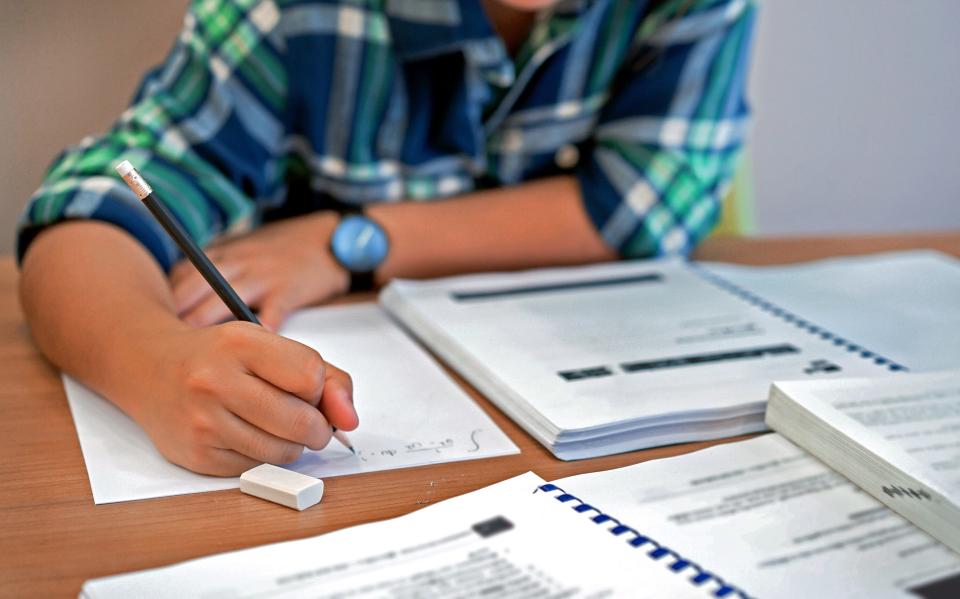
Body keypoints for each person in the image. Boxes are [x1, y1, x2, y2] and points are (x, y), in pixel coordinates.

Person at [17, 0, 756, 475]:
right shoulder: (285, 13)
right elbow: (87, 214)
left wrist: (347, 242)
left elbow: (643, 205)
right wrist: (157, 365)